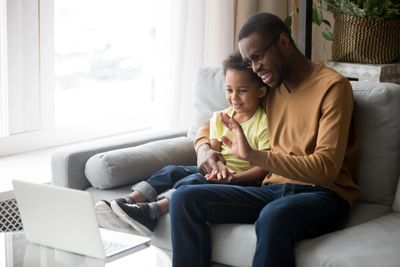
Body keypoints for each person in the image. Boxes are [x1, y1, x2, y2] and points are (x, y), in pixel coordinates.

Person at [169, 12, 360, 267]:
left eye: (257, 57)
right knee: (185, 198)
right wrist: (203, 148)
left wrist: (254, 155)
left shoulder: (333, 88)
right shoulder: (272, 87)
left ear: (283, 42)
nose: (255, 68)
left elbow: (325, 170)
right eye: (249, 62)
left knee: (273, 216)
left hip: (324, 195)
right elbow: (211, 123)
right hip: (271, 190)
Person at [95, 51, 270, 236]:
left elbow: (265, 166)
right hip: (217, 173)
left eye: (242, 90)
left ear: (260, 91)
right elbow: (213, 150)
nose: (234, 97)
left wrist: (233, 178)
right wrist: (215, 166)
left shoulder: (264, 123)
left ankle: (153, 212)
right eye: (229, 90)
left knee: (193, 181)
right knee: (170, 171)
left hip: (242, 181)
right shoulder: (220, 118)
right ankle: (126, 203)